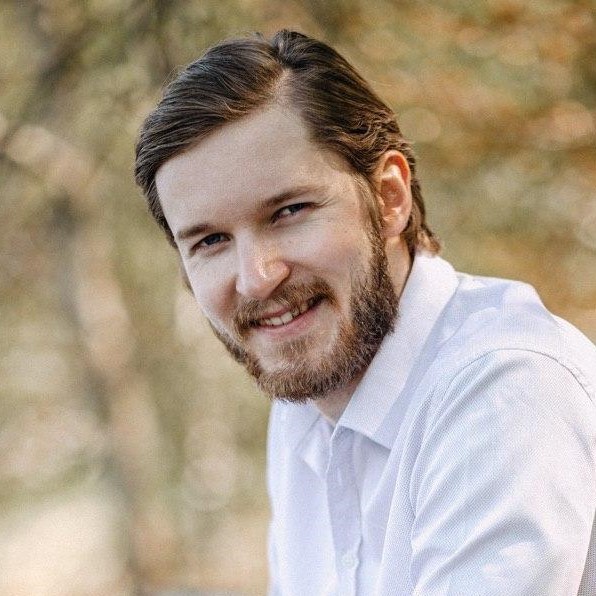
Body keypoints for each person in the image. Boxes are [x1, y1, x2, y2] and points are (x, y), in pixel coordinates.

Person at [134, 30, 596, 596]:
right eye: (210, 241)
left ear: (388, 197)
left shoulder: (505, 388)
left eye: (289, 211)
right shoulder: (305, 406)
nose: (256, 277)